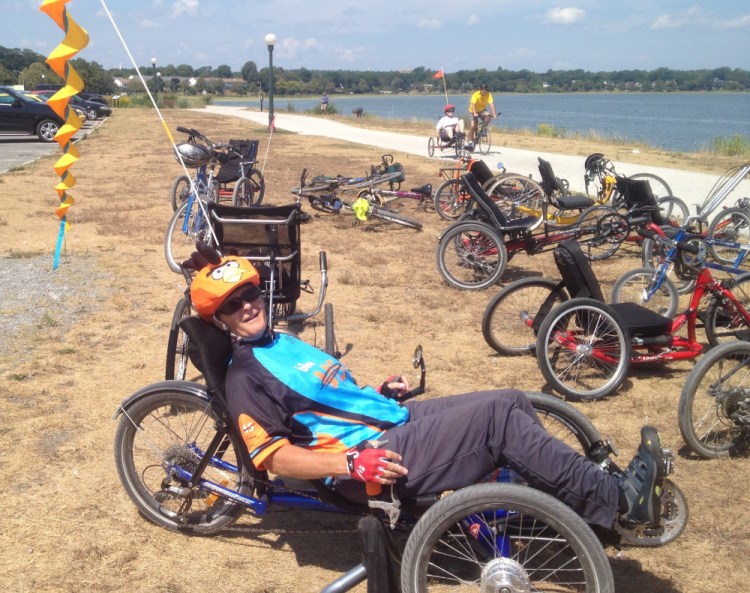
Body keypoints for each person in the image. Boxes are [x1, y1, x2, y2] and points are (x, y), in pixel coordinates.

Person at [186, 248, 670, 533]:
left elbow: (324, 400)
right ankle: (621, 501)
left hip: (388, 424)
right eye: (232, 306)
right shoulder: (245, 376)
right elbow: (273, 458)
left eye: (249, 294)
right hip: (369, 462)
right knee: (496, 424)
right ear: (220, 320)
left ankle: (562, 504)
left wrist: (377, 392)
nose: (247, 307)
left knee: (510, 400)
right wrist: (350, 463)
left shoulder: (281, 340)